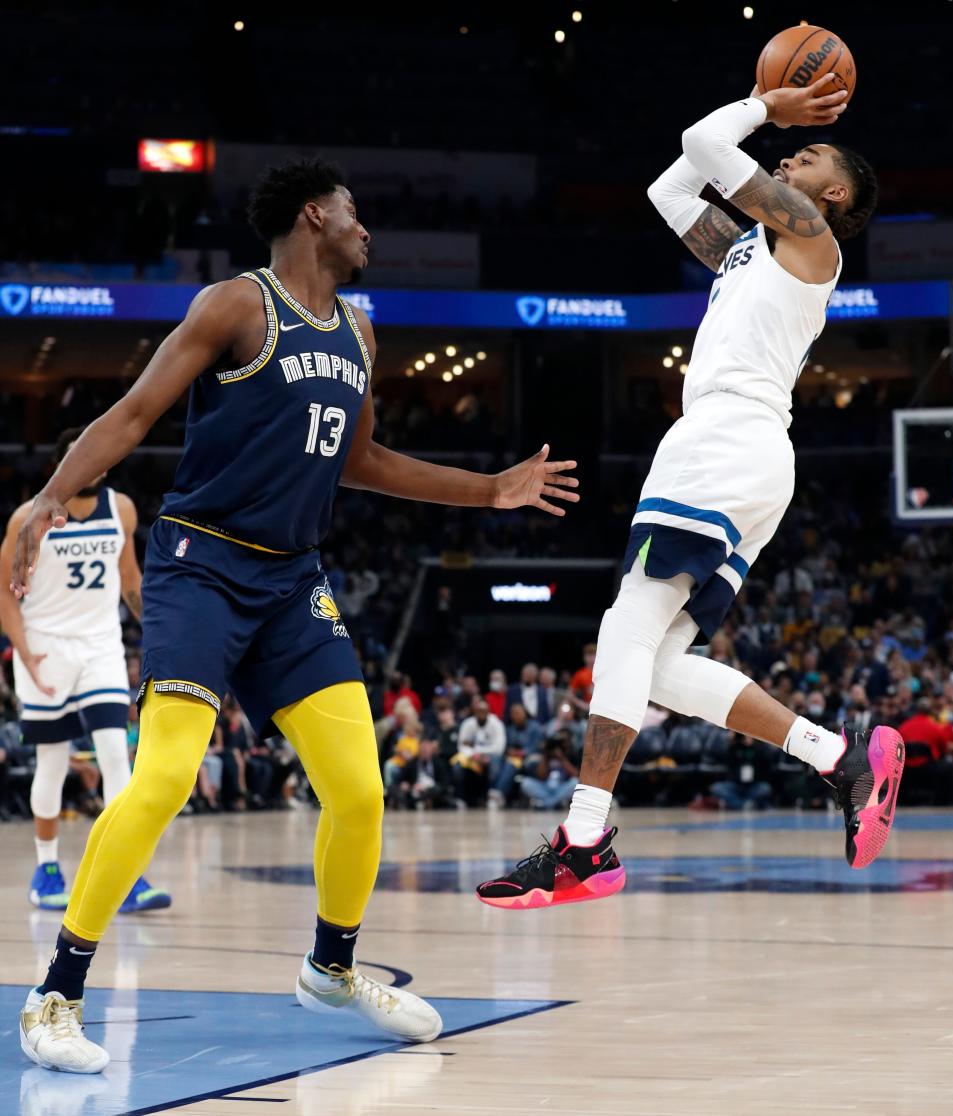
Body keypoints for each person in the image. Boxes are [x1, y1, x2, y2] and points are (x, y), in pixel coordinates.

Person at [10, 157, 579, 1072]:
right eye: (354, 212)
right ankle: (56, 994)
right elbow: (133, 413)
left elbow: (365, 462)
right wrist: (47, 496)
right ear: (315, 216)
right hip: (200, 563)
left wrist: (493, 493)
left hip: (292, 582)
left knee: (359, 788)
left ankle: (331, 966)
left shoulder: (357, 331)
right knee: (160, 780)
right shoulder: (236, 306)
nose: (366, 229)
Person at [478, 76, 904, 912]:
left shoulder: (814, 238)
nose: (789, 152)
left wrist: (760, 103)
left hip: (726, 441)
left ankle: (585, 841)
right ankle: (837, 756)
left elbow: (709, 145)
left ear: (834, 193)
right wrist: (763, 112)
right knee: (660, 664)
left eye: (806, 154)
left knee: (625, 628)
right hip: (733, 451)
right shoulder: (751, 249)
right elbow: (670, 182)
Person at [0, 429, 171, 915]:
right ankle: (46, 868)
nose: (100, 467)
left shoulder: (122, 509)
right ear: (65, 462)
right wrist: (24, 652)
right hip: (45, 648)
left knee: (118, 757)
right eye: (87, 459)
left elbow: (130, 580)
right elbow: (4, 594)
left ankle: (126, 875)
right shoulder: (27, 518)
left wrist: (160, 634)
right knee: (53, 763)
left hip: (100, 647)